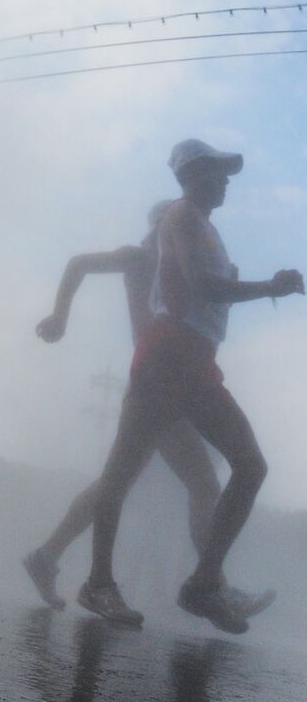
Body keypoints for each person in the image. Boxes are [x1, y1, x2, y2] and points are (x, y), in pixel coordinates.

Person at [78, 139, 302, 631]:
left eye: (226, 174)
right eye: (217, 173)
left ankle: (203, 584)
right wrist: (269, 287)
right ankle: (99, 583)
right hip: (165, 360)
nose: (225, 182)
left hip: (196, 363)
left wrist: (249, 287)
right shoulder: (180, 217)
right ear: (191, 177)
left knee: (249, 465)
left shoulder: (206, 229)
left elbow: (207, 293)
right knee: (120, 475)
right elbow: (201, 290)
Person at [23, 201, 273, 618]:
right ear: (163, 228)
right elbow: (78, 263)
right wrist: (59, 316)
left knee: (124, 479)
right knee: (192, 483)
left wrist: (224, 284)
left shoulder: (174, 262)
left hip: (174, 380)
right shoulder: (141, 256)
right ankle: (210, 588)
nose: (190, 242)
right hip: (158, 379)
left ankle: (49, 557)